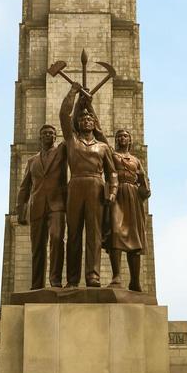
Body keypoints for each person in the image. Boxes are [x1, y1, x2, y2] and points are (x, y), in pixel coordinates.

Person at [59, 82, 115, 287]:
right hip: (75, 185)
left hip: (96, 187)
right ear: (78, 123)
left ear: (94, 123)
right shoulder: (71, 141)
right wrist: (73, 92)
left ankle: (93, 276)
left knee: (94, 233)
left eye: (90, 118)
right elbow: (64, 116)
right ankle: (72, 279)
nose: (86, 121)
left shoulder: (103, 147)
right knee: (73, 232)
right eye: (82, 119)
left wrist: (113, 192)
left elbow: (113, 173)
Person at [15, 123, 68, 289]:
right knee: (37, 246)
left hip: (57, 204)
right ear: (40, 137)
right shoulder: (32, 161)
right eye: (45, 133)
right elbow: (24, 187)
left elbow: (70, 128)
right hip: (37, 206)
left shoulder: (61, 152)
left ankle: (55, 280)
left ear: (55, 137)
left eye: (52, 133)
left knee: (57, 240)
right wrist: (21, 210)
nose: (48, 136)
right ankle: (36, 284)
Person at [105, 128, 150, 291]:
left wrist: (145, 190)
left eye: (125, 136)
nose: (122, 138)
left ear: (130, 140)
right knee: (116, 232)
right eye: (119, 136)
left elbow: (143, 180)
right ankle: (116, 276)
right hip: (116, 193)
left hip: (133, 197)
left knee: (135, 237)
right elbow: (100, 136)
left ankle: (135, 281)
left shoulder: (136, 160)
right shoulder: (111, 154)